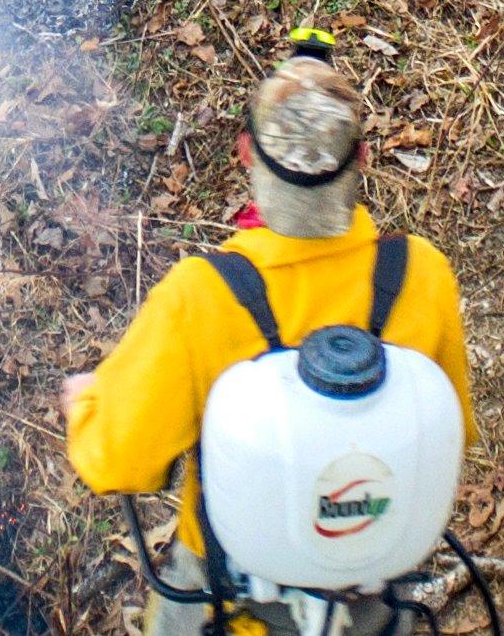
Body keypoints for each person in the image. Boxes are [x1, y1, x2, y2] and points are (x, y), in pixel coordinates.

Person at [64, 38, 475, 633]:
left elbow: (115, 463)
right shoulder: (422, 275)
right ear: (361, 157)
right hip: (369, 596)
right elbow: (451, 427)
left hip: (223, 603)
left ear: (245, 153)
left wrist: (88, 410)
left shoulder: (200, 296)